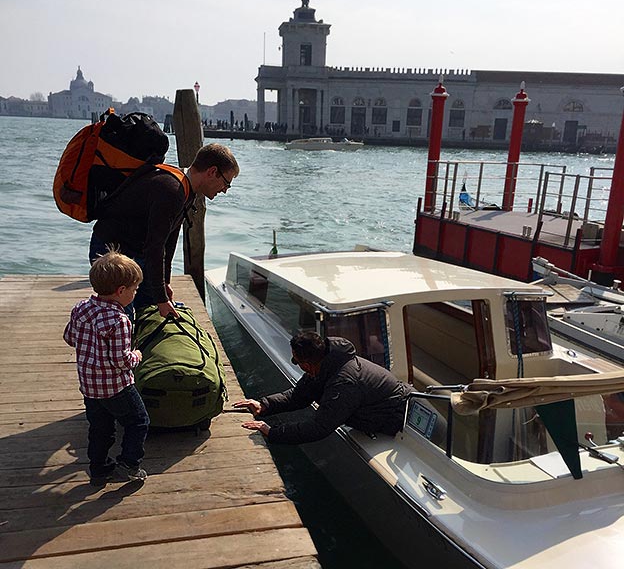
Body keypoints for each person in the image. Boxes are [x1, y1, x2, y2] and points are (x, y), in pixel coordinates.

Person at [90, 143, 239, 318]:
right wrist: (161, 298)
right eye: (226, 183)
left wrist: (164, 283)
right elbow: (155, 246)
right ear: (212, 172)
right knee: (121, 318)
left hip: (137, 251)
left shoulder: (187, 189)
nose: (224, 190)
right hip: (112, 252)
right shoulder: (171, 190)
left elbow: (169, 240)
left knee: (148, 311)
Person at [63, 249, 149, 486]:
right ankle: (129, 464)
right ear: (121, 291)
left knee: (100, 429)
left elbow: (69, 337)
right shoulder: (119, 320)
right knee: (138, 421)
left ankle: (99, 468)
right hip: (117, 387)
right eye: (134, 289)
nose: (135, 293)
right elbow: (120, 361)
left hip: (89, 386)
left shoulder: (81, 308)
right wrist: (137, 356)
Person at [234, 332, 415, 444]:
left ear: (307, 364)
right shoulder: (324, 365)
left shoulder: (344, 382)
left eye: (297, 362)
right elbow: (299, 396)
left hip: (398, 418)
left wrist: (272, 432)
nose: (297, 365)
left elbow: (319, 427)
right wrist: (265, 405)